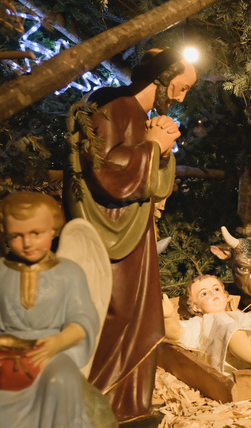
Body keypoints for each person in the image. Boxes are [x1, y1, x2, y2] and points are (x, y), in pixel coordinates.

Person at [63, 47, 196, 422]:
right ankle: (99, 401)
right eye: (181, 87)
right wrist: (153, 148)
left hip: (136, 228)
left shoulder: (141, 115)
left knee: (143, 315)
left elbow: (152, 182)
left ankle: (132, 405)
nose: (181, 97)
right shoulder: (115, 107)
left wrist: (163, 154)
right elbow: (103, 169)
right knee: (118, 312)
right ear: (163, 77)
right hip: (111, 229)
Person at [0, 192, 101, 427]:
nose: (27, 243)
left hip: (53, 353)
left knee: (59, 383)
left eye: (36, 233)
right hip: (5, 358)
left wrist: (56, 343)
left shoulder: (69, 273)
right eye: (16, 235)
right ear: (4, 233)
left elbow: (83, 320)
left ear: (53, 229)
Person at [162, 275, 251, 375]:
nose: (212, 294)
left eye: (216, 289)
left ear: (226, 296)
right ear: (196, 307)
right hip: (226, 363)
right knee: (232, 330)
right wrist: (168, 317)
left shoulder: (237, 315)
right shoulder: (202, 322)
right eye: (204, 293)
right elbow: (177, 333)